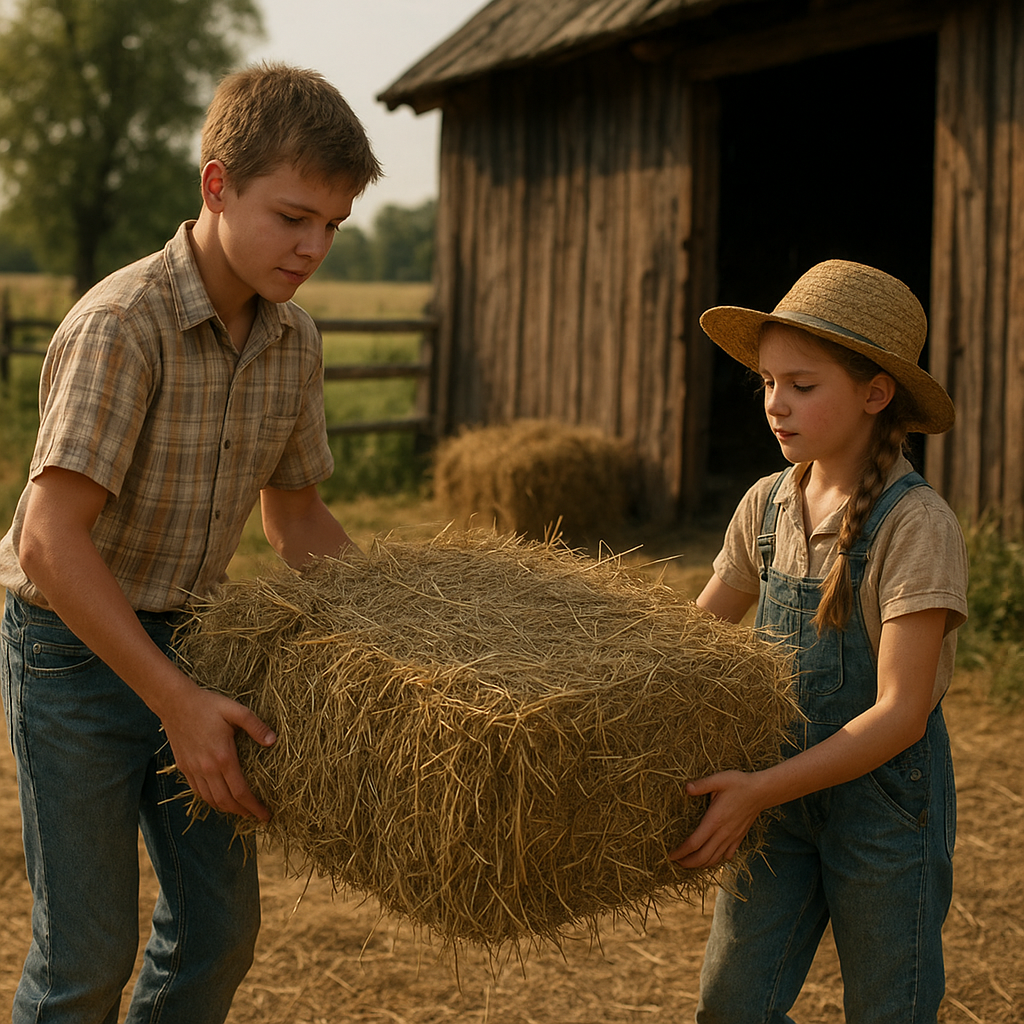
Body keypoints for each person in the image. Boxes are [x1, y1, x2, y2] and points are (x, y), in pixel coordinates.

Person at [0, 62, 382, 1022]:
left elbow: (293, 519)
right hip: (70, 649)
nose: (312, 247)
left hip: (198, 644)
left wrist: (404, 635)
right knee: (86, 956)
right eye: (293, 216)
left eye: (331, 225)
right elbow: (49, 541)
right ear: (217, 185)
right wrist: (176, 703)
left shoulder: (293, 342)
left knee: (216, 936)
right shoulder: (122, 326)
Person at [669, 260, 968, 1023]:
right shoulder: (766, 506)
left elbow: (902, 712)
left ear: (876, 394)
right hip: (774, 801)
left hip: (886, 806)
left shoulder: (914, 524)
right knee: (733, 1006)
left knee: (887, 1010)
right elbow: (693, 641)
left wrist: (758, 789)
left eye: (803, 386)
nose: (776, 405)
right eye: (767, 383)